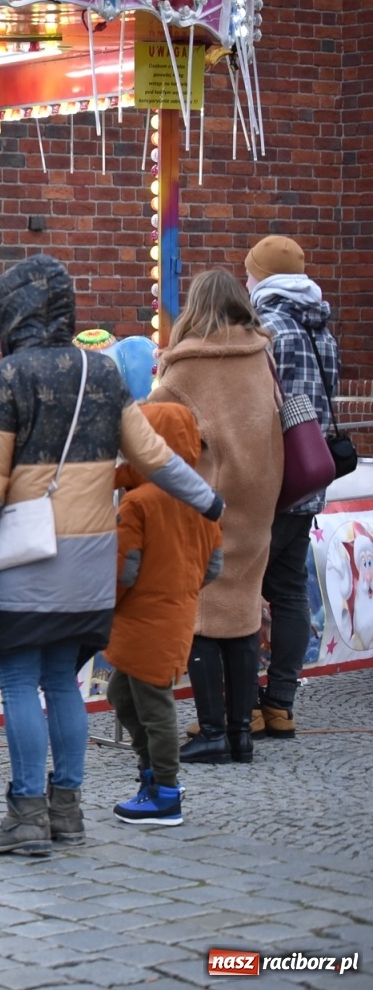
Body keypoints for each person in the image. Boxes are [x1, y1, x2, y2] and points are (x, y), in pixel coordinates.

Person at [0, 255, 221, 856]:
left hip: (29, 555)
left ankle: (25, 814)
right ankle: (66, 811)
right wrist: (208, 501)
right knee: (63, 683)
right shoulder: (104, 373)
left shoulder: (10, 377)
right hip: (93, 557)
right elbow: (153, 456)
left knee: (19, 679)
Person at [147, 268, 283, 765]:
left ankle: (211, 732)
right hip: (260, 498)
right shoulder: (259, 355)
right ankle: (241, 732)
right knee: (244, 611)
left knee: (202, 618)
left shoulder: (188, 366)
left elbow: (150, 428)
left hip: (210, 501)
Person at [106, 402, 224, 826]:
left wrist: (106, 605)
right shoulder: (199, 499)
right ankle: (153, 774)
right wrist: (181, 590)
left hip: (143, 620)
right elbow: (214, 565)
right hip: (172, 615)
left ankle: (166, 791)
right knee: (122, 693)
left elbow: (123, 570)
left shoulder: (138, 502)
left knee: (152, 706)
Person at [246, 235, 340, 739]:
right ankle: (280, 700)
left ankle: (243, 707)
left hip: (270, 480)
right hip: (310, 477)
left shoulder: (267, 328)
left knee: (239, 587)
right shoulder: (321, 328)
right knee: (288, 590)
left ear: (260, 276)